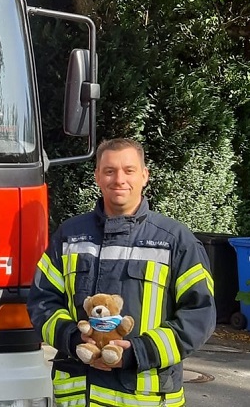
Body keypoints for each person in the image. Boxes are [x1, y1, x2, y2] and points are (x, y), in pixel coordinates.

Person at [28, 138, 215, 406]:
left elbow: (199, 315)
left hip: (146, 397)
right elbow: (42, 301)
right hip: (79, 397)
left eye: (129, 170)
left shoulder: (175, 240)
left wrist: (138, 352)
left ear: (144, 175)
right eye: (109, 171)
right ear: (97, 177)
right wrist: (72, 338)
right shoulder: (69, 236)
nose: (119, 179)